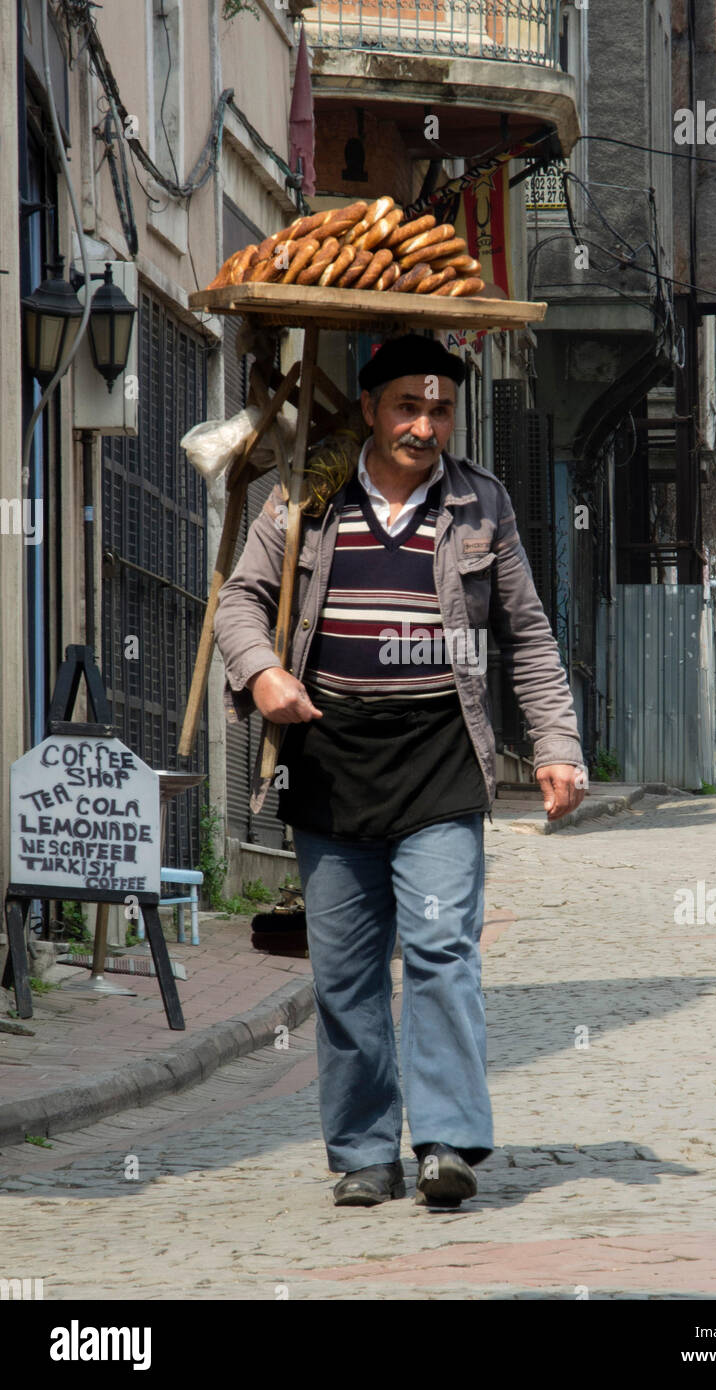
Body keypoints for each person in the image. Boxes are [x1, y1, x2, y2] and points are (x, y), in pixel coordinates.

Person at [214, 333, 586, 1210]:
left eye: (441, 409)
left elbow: (526, 635)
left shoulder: (481, 507)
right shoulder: (306, 495)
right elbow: (240, 600)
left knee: (441, 949)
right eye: (408, 408)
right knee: (344, 972)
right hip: (331, 755)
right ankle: (363, 1153)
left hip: (439, 760)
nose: (425, 426)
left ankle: (447, 1141)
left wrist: (557, 747)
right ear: (373, 409)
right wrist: (263, 672)